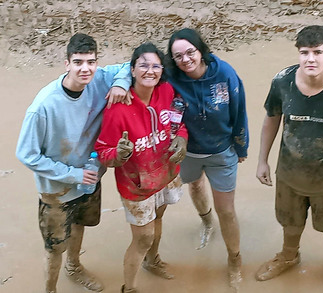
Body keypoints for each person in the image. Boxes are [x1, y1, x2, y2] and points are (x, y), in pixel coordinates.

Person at [16, 33, 131, 293]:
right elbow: (27, 154)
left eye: (91, 62)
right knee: (54, 246)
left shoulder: (100, 78)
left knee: (80, 224)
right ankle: (50, 289)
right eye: (78, 62)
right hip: (56, 187)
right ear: (66, 63)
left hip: (90, 177)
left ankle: (74, 266)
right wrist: (72, 175)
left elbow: (129, 65)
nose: (85, 68)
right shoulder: (43, 106)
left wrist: (121, 84)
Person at [255, 25, 323, 293]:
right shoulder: (282, 81)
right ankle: (289, 256)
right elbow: (271, 119)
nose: (311, 59)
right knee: (290, 222)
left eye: (317, 52)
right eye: (304, 52)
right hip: (289, 174)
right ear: (298, 54)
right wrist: (262, 160)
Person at [94, 42, 188, 293]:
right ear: (132, 70)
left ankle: (152, 260)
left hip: (165, 174)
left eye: (156, 65)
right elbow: (103, 152)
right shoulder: (117, 108)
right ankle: (130, 288)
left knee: (159, 218)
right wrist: (119, 154)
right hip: (136, 186)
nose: (150, 71)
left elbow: (178, 123)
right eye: (143, 65)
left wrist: (182, 138)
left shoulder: (167, 91)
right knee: (143, 237)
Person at [166, 28, 249, 290]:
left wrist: (241, 147)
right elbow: (136, 67)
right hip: (187, 151)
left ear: (201, 50)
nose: (186, 59)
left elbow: (239, 110)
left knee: (227, 210)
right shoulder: (169, 77)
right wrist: (122, 84)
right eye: (178, 56)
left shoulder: (224, 73)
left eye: (190, 52)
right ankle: (205, 220)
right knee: (194, 184)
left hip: (221, 151)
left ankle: (235, 259)